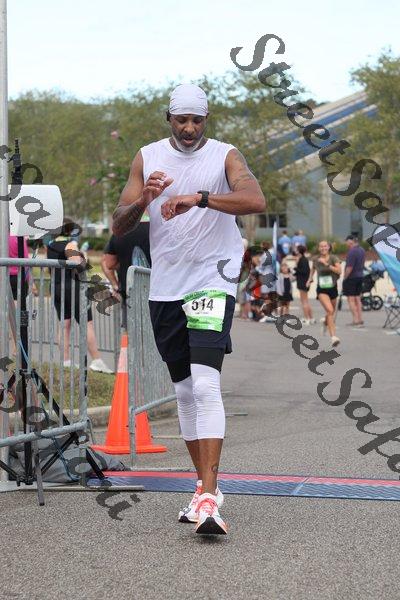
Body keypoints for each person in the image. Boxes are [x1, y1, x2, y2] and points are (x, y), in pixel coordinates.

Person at [112, 83, 266, 535]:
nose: (189, 128)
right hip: (166, 288)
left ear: (206, 120)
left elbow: (255, 200)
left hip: (211, 282)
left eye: (197, 120)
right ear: (169, 119)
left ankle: (209, 496)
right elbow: (118, 225)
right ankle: (203, 488)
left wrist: (200, 197)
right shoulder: (147, 157)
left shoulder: (225, 155)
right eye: (182, 120)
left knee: (204, 383)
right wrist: (144, 200)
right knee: (183, 392)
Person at [46, 218, 112, 373]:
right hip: (73, 287)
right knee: (86, 323)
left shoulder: (51, 246)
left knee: (64, 324)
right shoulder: (70, 244)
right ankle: (97, 360)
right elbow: (80, 266)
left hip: (57, 286)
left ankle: (66, 360)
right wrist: (84, 256)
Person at [101, 216, 151, 328]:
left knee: (132, 329)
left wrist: (124, 264)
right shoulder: (157, 228)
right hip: (157, 290)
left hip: (129, 290)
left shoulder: (120, 232)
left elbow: (108, 263)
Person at [307, 240, 342, 347]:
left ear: (328, 247)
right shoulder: (315, 259)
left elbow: (339, 271)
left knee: (331, 313)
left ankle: (325, 322)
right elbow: (312, 269)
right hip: (321, 289)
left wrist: (327, 264)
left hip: (333, 288)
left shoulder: (333, 258)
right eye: (321, 246)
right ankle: (333, 337)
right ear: (319, 248)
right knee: (330, 310)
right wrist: (310, 279)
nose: (323, 248)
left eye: (325, 246)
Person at [342, 235, 366, 327]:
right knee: (357, 299)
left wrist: (345, 277)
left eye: (346, 241)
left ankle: (355, 320)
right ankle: (360, 319)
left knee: (351, 299)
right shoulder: (362, 250)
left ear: (350, 241)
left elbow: (349, 267)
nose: (346, 244)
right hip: (360, 276)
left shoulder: (352, 252)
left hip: (352, 277)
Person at [294, 245, 314, 325]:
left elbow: (304, 271)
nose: (295, 251)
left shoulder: (303, 260)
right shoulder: (303, 259)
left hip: (303, 283)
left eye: (296, 250)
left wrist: (296, 268)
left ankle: (307, 318)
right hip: (304, 282)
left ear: (299, 251)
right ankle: (311, 318)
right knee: (306, 301)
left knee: (304, 301)